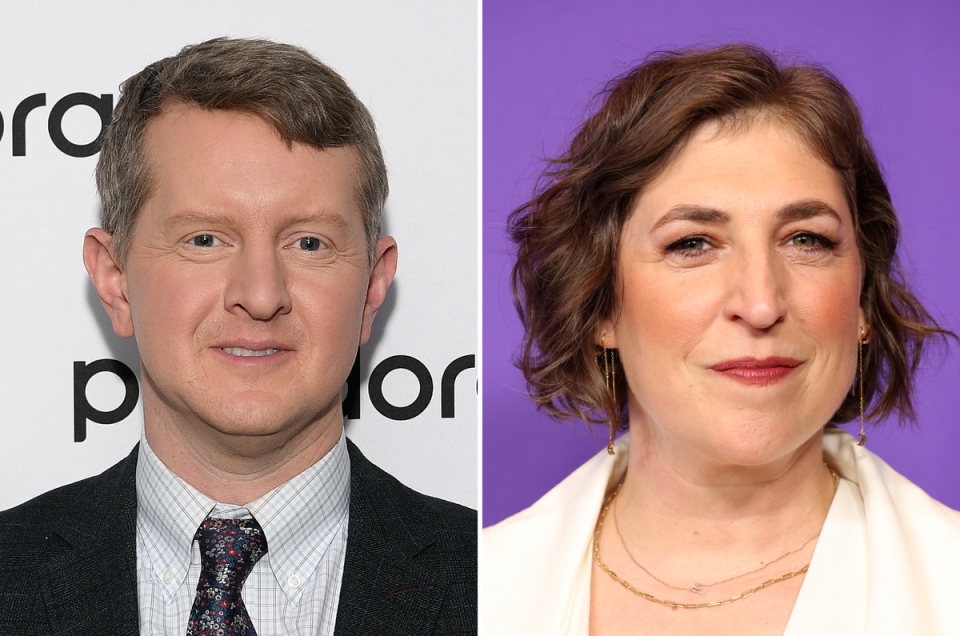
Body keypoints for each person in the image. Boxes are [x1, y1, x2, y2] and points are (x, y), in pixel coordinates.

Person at [0, 38, 476, 636]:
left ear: (373, 288)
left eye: (308, 243)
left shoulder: (511, 585)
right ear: (116, 281)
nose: (260, 294)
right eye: (204, 240)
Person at [483, 45, 959, 635]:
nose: (760, 304)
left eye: (806, 240)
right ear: (600, 303)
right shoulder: (476, 593)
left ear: (862, 300)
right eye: (693, 244)